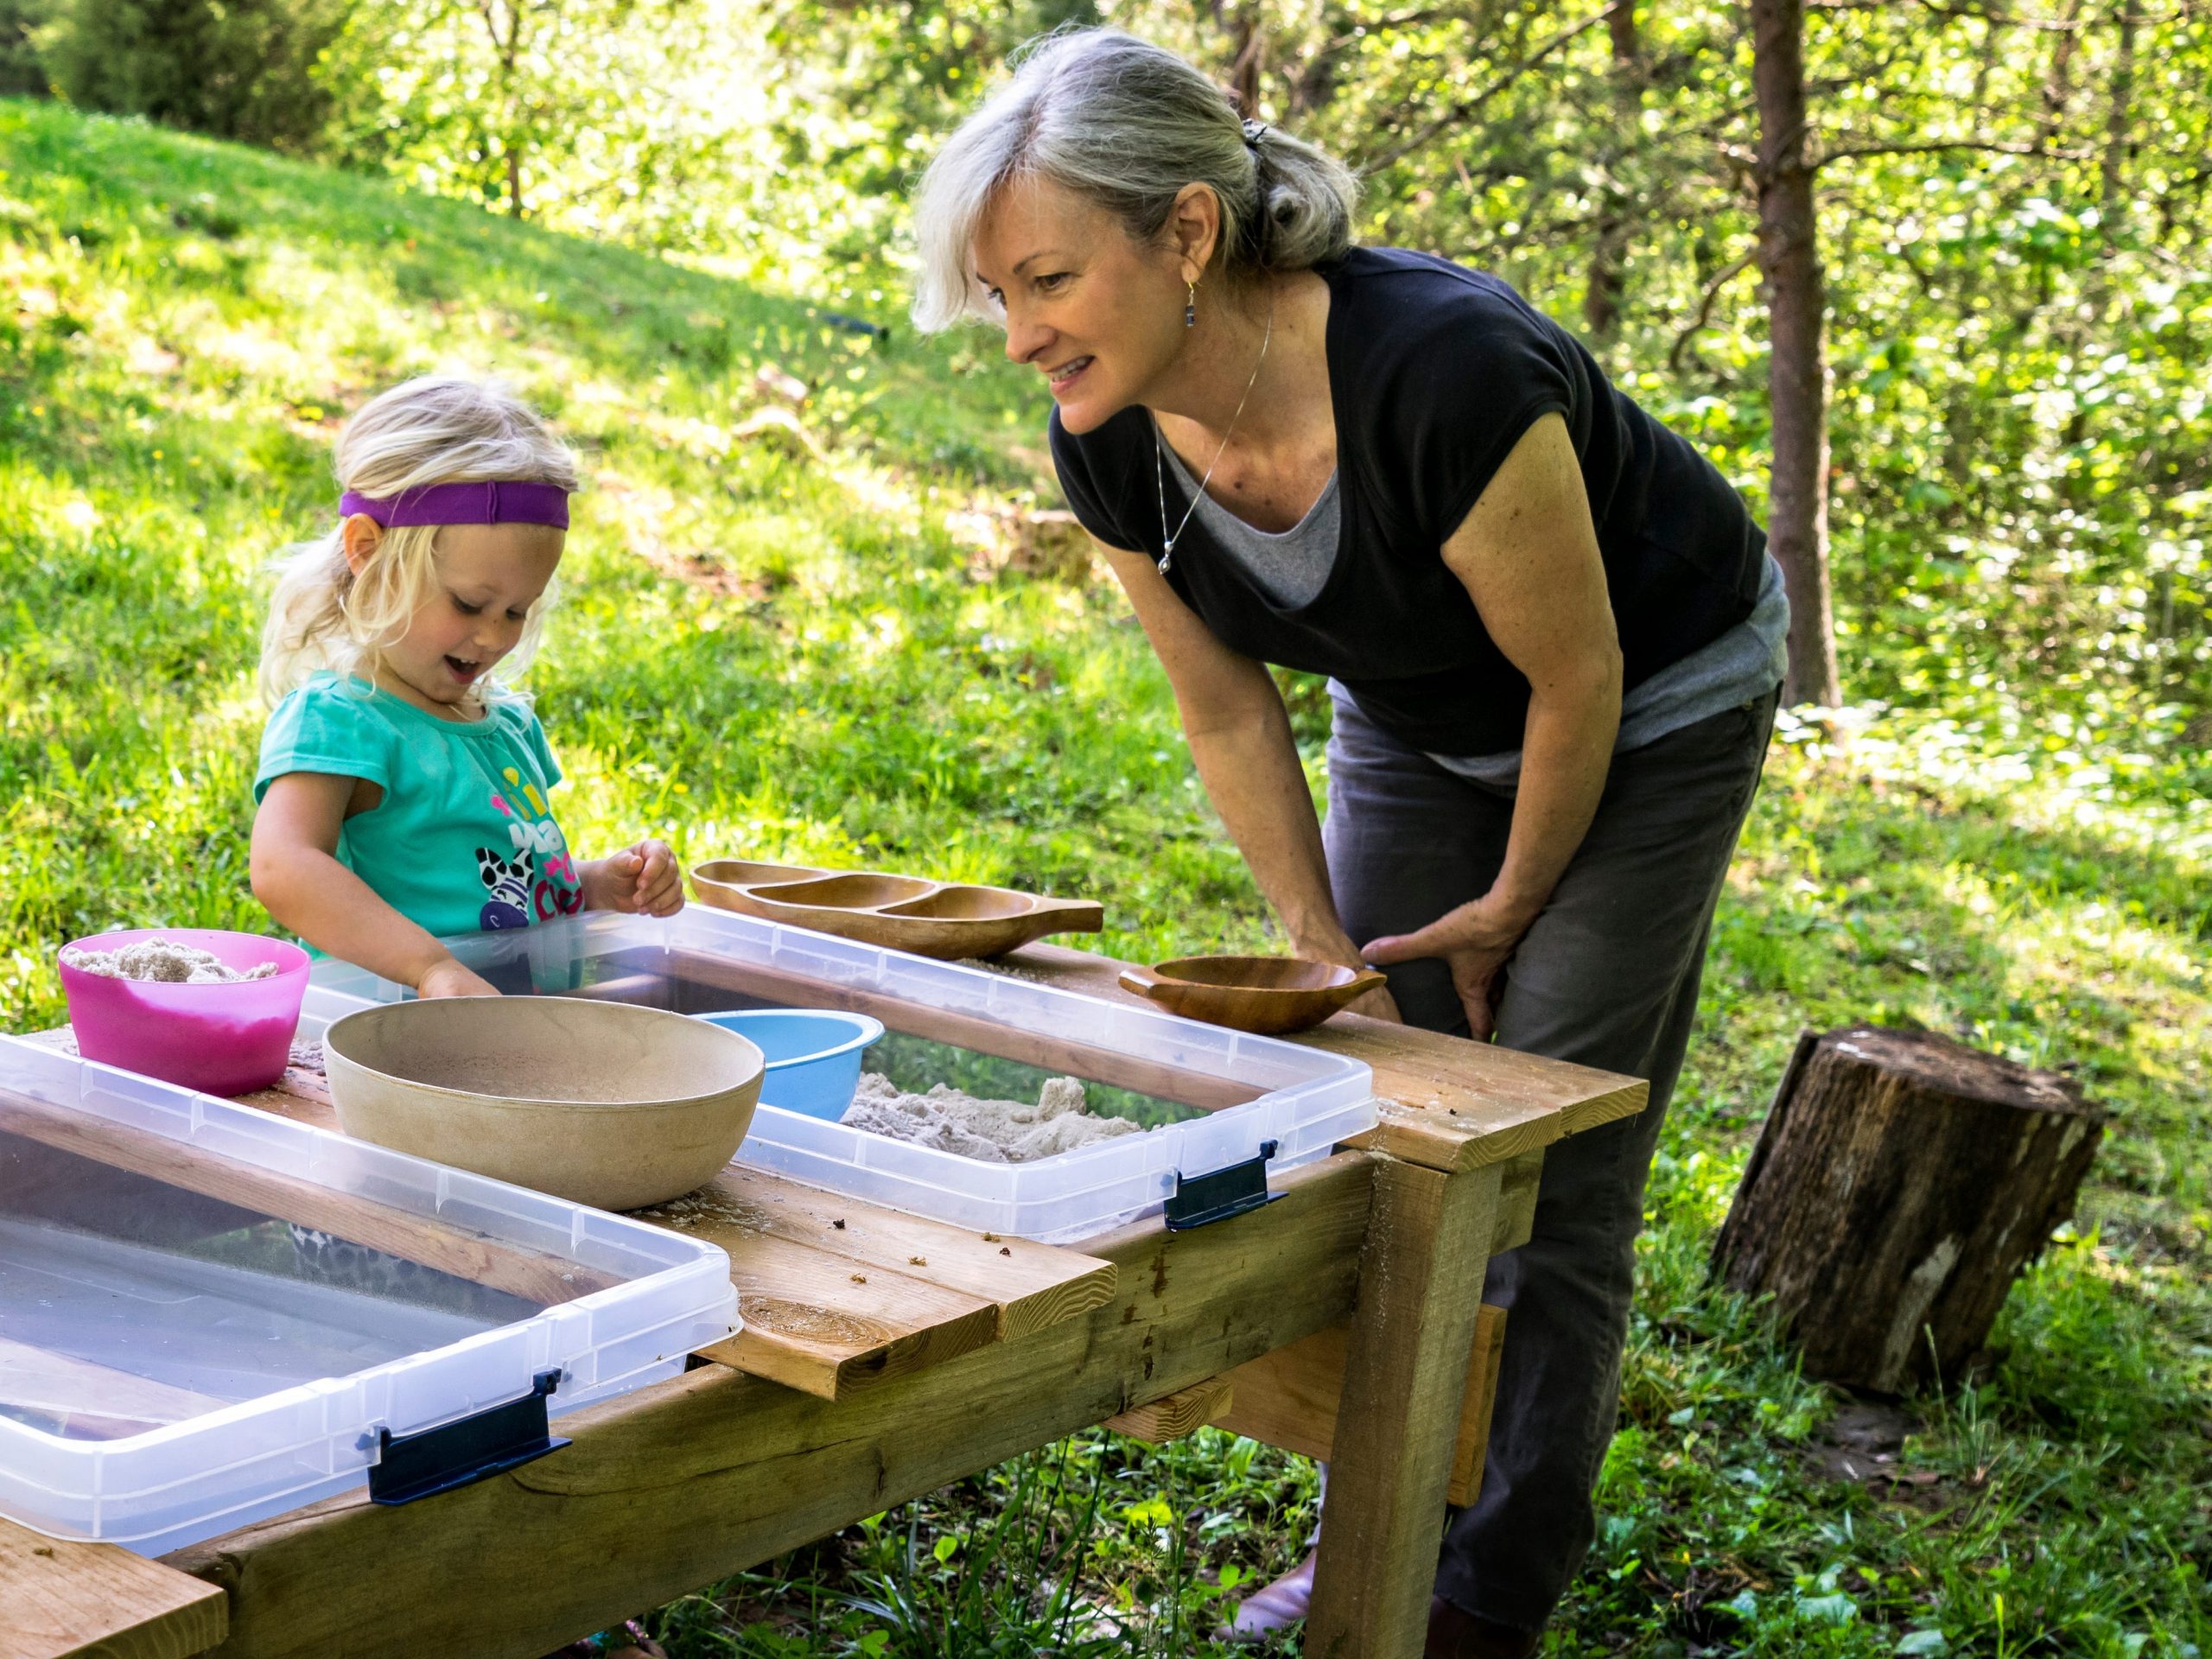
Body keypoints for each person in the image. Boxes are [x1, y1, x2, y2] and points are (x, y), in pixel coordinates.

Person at [911, 28, 1786, 1656]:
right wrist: (1324, 946)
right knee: (1386, 1113)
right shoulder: (1104, 432)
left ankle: (1483, 1593)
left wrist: (1516, 901)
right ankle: (1381, 1520)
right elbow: (1230, 712)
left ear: (1186, 234)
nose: (1022, 336)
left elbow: (1575, 673)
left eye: (1048, 281)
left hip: (1649, 699)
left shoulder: (1443, 369)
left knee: (1540, 1154)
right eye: (1000, 296)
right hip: (1413, 703)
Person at [251, 375, 683, 995]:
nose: (492, 638)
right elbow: (282, 867)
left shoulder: (504, 726)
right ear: (369, 553)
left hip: (510, 1038)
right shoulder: (343, 718)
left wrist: (596, 885)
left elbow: (500, 892)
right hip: (391, 1040)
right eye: (469, 603)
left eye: (516, 612)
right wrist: (430, 969)